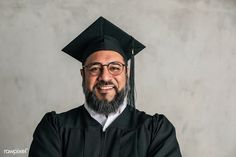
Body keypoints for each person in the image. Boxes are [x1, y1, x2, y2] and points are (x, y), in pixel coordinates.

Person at [29, 16, 182, 157]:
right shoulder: (55, 129)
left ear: (126, 74)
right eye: (95, 68)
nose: (105, 77)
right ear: (83, 74)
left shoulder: (155, 131)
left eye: (114, 67)